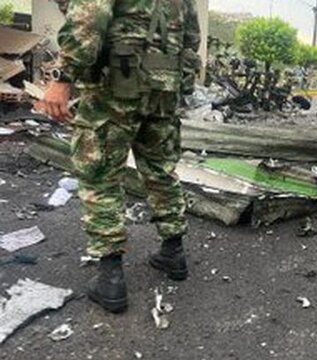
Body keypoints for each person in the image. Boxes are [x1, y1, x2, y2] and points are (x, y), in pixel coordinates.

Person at [36, 0, 201, 313]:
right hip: (163, 87)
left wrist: (62, 77)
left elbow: (90, 17)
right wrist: (179, 83)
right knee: (160, 169)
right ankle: (174, 252)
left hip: (114, 84)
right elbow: (191, 39)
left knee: (100, 174)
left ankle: (110, 276)